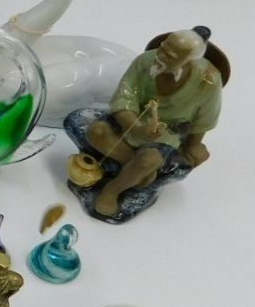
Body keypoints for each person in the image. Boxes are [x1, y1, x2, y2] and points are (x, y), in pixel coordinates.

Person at [83, 27, 222, 217]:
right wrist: (137, 127)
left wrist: (194, 145)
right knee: (96, 131)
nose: (160, 56)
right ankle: (143, 174)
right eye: (162, 47)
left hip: (168, 131)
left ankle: (112, 191)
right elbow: (124, 98)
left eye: (170, 55)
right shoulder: (145, 61)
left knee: (149, 159)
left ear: (189, 62)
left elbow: (205, 116)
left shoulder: (208, 80)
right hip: (132, 120)